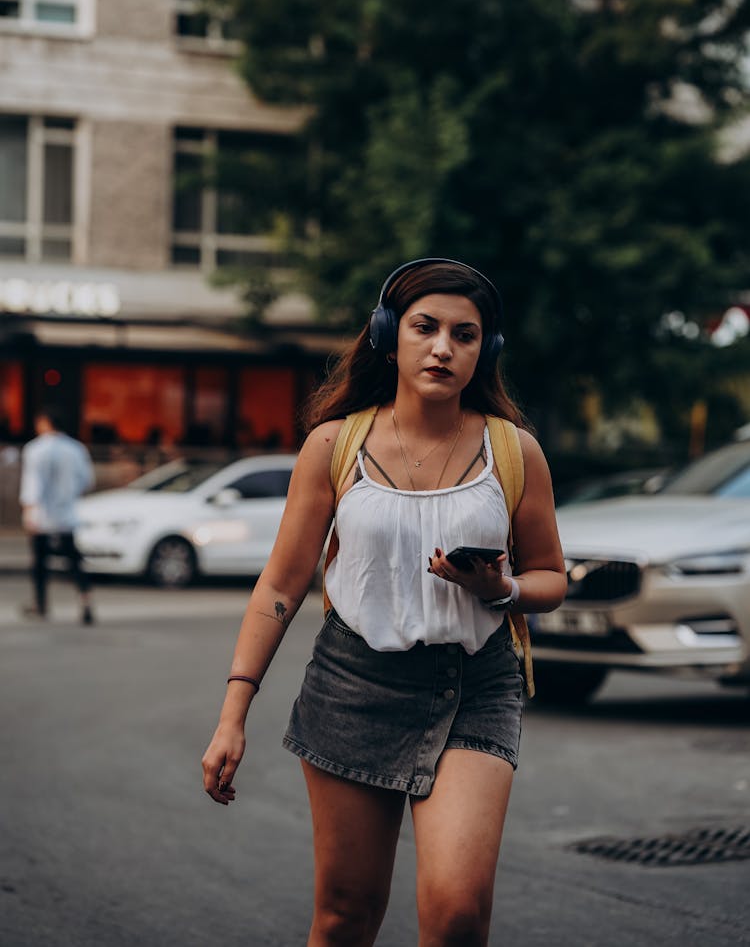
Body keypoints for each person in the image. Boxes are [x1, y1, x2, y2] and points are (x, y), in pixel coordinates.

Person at [202, 258, 566, 946]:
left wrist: (503, 587)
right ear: (387, 334)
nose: (442, 347)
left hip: (473, 685)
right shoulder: (334, 447)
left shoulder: (514, 452)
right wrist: (232, 714)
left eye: (465, 334)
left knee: (457, 912)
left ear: (483, 350)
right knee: (344, 915)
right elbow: (280, 585)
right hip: (353, 685)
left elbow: (551, 574)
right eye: (425, 327)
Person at [19, 405, 96, 624]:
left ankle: (41, 604)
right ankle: (85, 599)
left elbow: (32, 485)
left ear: (44, 423)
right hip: (66, 514)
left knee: (40, 562)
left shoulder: (36, 449)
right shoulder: (76, 449)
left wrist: (29, 511)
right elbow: (86, 480)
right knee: (74, 561)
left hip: (42, 516)